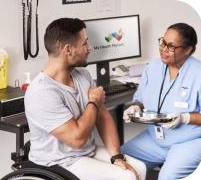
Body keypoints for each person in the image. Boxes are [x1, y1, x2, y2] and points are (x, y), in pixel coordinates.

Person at [24, 17, 146, 180]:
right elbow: (77, 139)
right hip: (59, 162)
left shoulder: (83, 75)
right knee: (127, 177)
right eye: (84, 44)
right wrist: (93, 102)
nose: (89, 49)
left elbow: (102, 117)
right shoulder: (42, 92)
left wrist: (116, 157)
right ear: (68, 49)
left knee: (140, 168)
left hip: (87, 152)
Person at [121, 23, 201, 180]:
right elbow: (140, 99)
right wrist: (135, 108)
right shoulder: (153, 67)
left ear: (188, 50)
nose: (163, 49)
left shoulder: (199, 73)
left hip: (190, 143)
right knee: (119, 162)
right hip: (155, 139)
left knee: (166, 177)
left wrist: (184, 118)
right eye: (163, 42)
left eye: (171, 46)